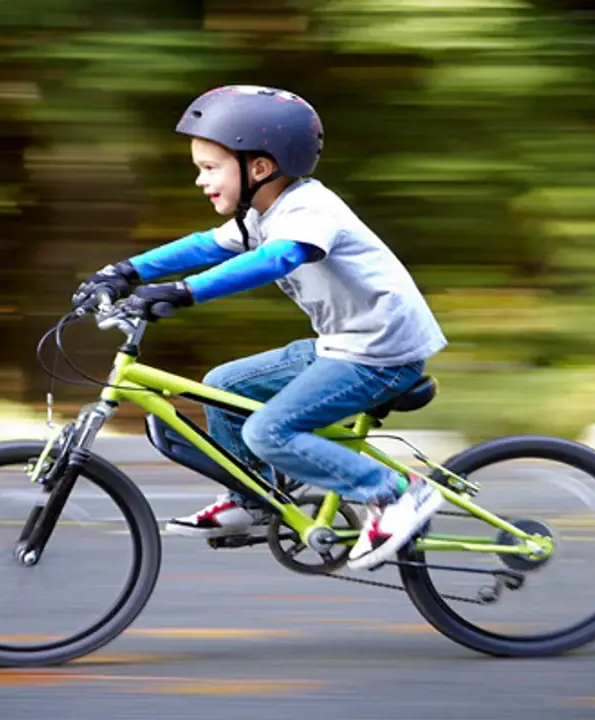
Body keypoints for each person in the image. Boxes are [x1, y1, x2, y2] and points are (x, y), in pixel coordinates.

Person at [71, 85, 448, 570]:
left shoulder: (310, 210)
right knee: (221, 388)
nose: (200, 181)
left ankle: (398, 494)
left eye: (209, 168)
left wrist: (186, 292)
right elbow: (206, 246)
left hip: (380, 354)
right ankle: (252, 500)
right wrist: (124, 272)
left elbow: (280, 257)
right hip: (342, 345)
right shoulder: (261, 214)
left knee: (269, 432)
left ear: (260, 168)